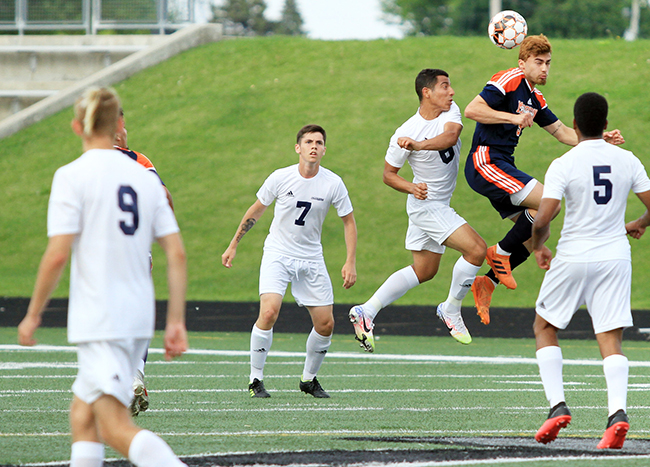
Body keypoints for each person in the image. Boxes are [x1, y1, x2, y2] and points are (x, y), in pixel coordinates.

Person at [17, 87, 189, 467]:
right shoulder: (145, 177)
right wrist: (175, 320)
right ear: (117, 127)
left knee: (112, 426)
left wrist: (32, 314)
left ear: (77, 126)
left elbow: (58, 253)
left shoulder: (71, 176)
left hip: (101, 317)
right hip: (136, 315)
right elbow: (175, 252)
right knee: (82, 416)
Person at [530, 92, 650, 449]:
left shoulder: (564, 163)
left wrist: (537, 246)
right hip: (614, 257)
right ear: (606, 125)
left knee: (544, 326)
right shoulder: (627, 159)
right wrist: (637, 223)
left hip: (573, 254)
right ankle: (617, 415)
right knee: (610, 338)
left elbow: (543, 217)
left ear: (574, 125)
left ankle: (557, 406)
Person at [462, 34, 625, 325]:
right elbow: (472, 110)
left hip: (502, 164)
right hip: (484, 160)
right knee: (550, 203)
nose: (545, 69)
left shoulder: (535, 97)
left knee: (542, 229)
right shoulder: (509, 78)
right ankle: (498, 252)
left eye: (548, 63)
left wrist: (600, 138)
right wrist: (512, 118)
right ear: (522, 62)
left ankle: (487, 283)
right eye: (538, 62)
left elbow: (562, 132)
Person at [348, 68, 486, 353]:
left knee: (425, 271)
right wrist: (411, 188)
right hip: (426, 206)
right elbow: (388, 174)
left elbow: (450, 137)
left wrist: (420, 145)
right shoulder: (404, 132)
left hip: (437, 205)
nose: (452, 92)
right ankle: (452, 309)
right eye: (445, 87)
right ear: (427, 92)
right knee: (476, 250)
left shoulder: (450, 112)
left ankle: (367, 310)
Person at [221, 124, 357, 399]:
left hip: (311, 258)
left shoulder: (333, 183)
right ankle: (255, 379)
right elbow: (256, 211)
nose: (314, 146)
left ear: (324, 150)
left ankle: (308, 379)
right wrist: (234, 243)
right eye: (308, 142)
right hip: (278, 254)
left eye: (319, 142)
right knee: (269, 312)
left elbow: (349, 222)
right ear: (298, 148)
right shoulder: (280, 178)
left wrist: (350, 261)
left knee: (326, 324)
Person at [114, 108, 174, 417]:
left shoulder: (83, 166)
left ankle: (120, 381)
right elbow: (163, 196)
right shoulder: (140, 160)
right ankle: (134, 374)